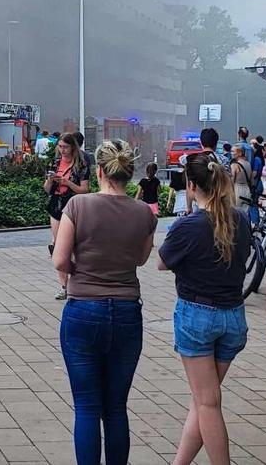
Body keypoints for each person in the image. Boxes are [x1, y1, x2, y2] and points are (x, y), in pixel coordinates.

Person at [53, 139, 156, 464]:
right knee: (115, 408)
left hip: (83, 311)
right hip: (127, 312)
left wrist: (79, 270)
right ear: (128, 174)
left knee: (86, 406)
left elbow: (59, 261)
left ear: (99, 171)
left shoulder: (78, 207)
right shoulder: (144, 213)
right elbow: (140, 260)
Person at [158, 151, 252, 465]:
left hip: (197, 317)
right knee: (203, 402)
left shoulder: (190, 225)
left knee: (208, 403)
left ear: (191, 186)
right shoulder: (240, 219)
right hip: (233, 318)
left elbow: (161, 262)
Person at [45, 132, 90, 300]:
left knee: (75, 246)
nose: (62, 150)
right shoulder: (54, 162)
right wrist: (51, 181)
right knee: (59, 245)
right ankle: (64, 286)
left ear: (73, 147)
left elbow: (85, 189)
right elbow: (46, 189)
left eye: (66, 147)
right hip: (56, 205)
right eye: (60, 146)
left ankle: (77, 282)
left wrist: (67, 182)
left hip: (74, 205)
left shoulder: (81, 165)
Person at [229, 145, 254, 211]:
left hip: (236, 190)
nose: (231, 153)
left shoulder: (234, 165)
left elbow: (231, 181)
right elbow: (252, 180)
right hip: (247, 190)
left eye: (233, 151)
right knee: (244, 213)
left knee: (235, 214)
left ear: (239, 153)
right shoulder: (248, 164)